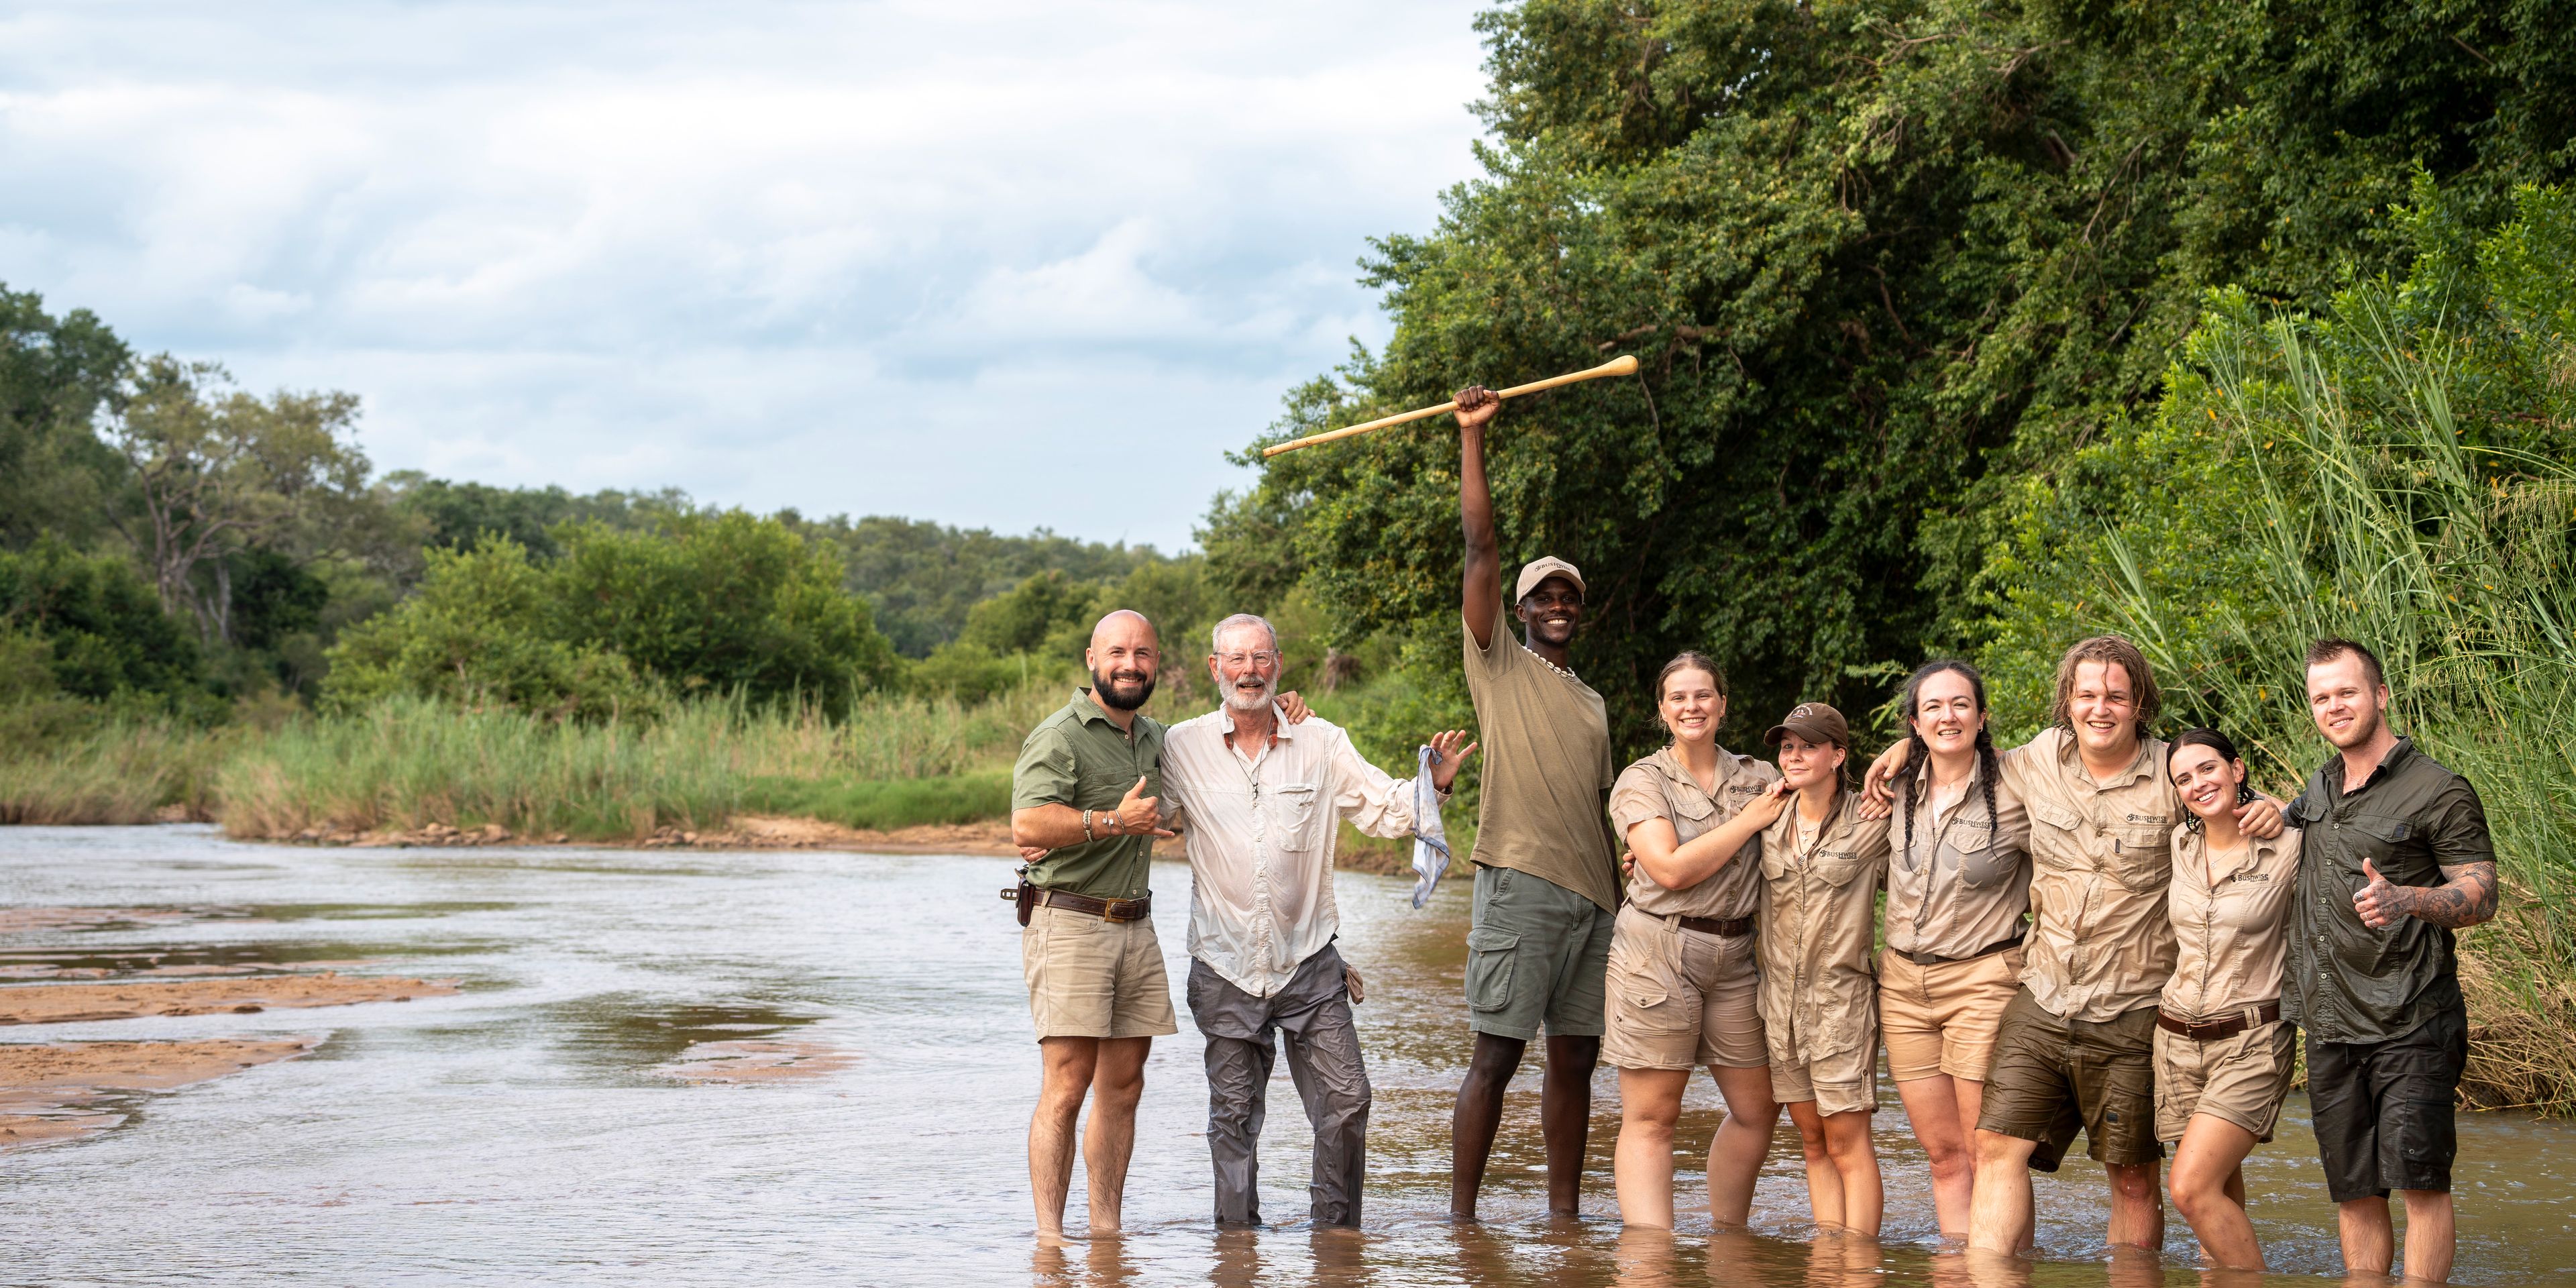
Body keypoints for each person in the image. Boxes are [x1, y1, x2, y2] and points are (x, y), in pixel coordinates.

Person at [1861, 635, 2285, 1255]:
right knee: (1996, 1145)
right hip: (2043, 993)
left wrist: (2268, 806)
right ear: (2067, 700)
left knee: (2134, 1177)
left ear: (2139, 701)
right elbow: (1959, 749)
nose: (2100, 708)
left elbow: (2230, 805)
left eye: (2116, 695)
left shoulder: (2173, 772)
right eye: (2087, 694)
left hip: (2136, 1006)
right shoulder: (2035, 760)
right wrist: (1908, 745)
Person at [1159, 611, 1477, 1229]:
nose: (1249, 671)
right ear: (1214, 667)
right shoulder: (1180, 745)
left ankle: (1334, 1239)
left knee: (1348, 1100)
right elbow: (1148, 812)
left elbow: (1383, 807)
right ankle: (1235, 1245)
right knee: (1232, 1119)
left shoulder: (1322, 741)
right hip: (1223, 964)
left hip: (1309, 963)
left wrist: (1433, 787)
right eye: (1236, 659)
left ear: (1277, 665)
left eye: (1260, 658)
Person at [1005, 609, 1309, 1241]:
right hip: (1069, 921)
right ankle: (1050, 1240)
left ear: (1156, 665)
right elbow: (1027, 827)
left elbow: (1224, 747)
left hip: (1136, 927)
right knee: (1067, 1084)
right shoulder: (1058, 736)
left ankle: (1107, 1232)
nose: (1130, 664)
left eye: (1143, 654)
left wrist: (1280, 710)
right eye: (1117, 652)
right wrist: (1111, 822)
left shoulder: (1154, 738)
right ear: (1092, 658)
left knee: (1124, 1085)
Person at [1448, 381, 1621, 1221]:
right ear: (1517, 611)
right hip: (1519, 884)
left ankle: (1564, 1222)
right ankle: (1462, 1224)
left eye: (1569, 598)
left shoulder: (1591, 702)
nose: (1557, 605)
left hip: (1596, 903)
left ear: (1577, 614)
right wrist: (1474, 437)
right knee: (1495, 1056)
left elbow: (1603, 807)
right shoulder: (1498, 665)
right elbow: (1481, 547)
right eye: (1543, 596)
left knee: (1577, 1062)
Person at [2285, 639, 2497, 1284]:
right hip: (2330, 1024)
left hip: (2413, 1021)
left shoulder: (2438, 789)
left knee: (2420, 1184)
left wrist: (2408, 898)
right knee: (2354, 1192)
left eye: (2346, 692)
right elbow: (2281, 830)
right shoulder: (2318, 786)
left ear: (2380, 695)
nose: (2334, 706)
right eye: (2322, 698)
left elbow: (2483, 895)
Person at [1605, 652, 1787, 1230]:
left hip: (1737, 957)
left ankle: (1728, 1238)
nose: (1692, 706)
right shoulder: (1644, 778)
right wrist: (1751, 821)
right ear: (1662, 709)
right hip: (1658, 950)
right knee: (1654, 1115)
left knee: (1759, 1109)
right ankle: (1650, 1255)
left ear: (1723, 705)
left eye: (1703, 695)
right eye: (1679, 697)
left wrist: (1903, 750)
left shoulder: (1759, 777)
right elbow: (1670, 870)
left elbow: (1828, 795)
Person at [1877, 660, 2031, 1242]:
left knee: (1990, 1151)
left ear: (1983, 716)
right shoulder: (1892, 789)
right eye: (1934, 707)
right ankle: (1957, 1271)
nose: (1949, 716)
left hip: (1984, 981)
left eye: (1961, 704)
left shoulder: (2018, 788)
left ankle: (2003, 1273)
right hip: (1903, 987)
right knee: (1943, 1155)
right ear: (1914, 723)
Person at [2158, 728, 2302, 1271]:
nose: (2198, 784)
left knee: (2190, 1189)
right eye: (2184, 778)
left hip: (2252, 1040)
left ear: (2237, 770)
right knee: (2213, 1192)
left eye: (2209, 769)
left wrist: (2281, 809)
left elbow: (2334, 821)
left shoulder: (2290, 842)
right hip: (2174, 1041)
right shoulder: (2180, 844)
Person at [1756, 702, 1893, 1236]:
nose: (1794, 755)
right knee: (1812, 1142)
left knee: (1847, 1143)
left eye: (1808, 745)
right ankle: (1827, 1258)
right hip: (1779, 1008)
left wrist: (1900, 753)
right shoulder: (1765, 817)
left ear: (1838, 755)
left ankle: (1859, 1265)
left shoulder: (1875, 818)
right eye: (1787, 747)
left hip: (1842, 1008)